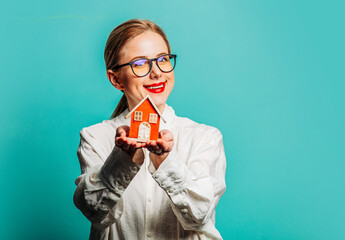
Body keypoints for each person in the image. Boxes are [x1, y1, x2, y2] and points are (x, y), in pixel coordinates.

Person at [73, 19, 227, 240]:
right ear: (116, 79)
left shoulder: (205, 137)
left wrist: (166, 161)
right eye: (140, 63)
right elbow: (95, 213)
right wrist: (122, 159)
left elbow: (198, 215)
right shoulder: (95, 137)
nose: (156, 73)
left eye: (163, 59)